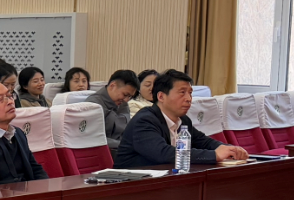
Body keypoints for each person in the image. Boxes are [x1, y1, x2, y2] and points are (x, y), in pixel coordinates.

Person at [115, 70, 247, 168]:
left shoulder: (183, 120)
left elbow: (203, 141)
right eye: (182, 92)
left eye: (190, 93)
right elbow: (163, 153)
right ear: (161, 97)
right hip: (130, 183)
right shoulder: (144, 120)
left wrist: (229, 150)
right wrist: (214, 155)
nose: (189, 99)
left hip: (164, 179)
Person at [85, 69, 140, 150]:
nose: (126, 100)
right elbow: (92, 138)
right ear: (112, 86)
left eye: (130, 96)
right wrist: (125, 145)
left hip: (123, 148)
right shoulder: (93, 104)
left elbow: (127, 131)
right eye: (125, 94)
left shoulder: (123, 104)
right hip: (103, 151)